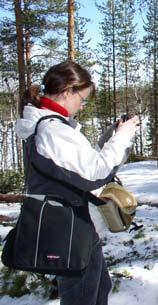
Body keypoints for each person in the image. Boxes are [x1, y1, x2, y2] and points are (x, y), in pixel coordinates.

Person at [15, 61, 139, 305]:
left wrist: (111, 138)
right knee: (82, 295)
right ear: (67, 91)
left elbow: (78, 166)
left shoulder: (52, 125)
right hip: (67, 226)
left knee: (98, 287)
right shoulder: (53, 130)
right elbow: (95, 172)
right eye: (82, 98)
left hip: (73, 223)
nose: (82, 105)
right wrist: (123, 137)